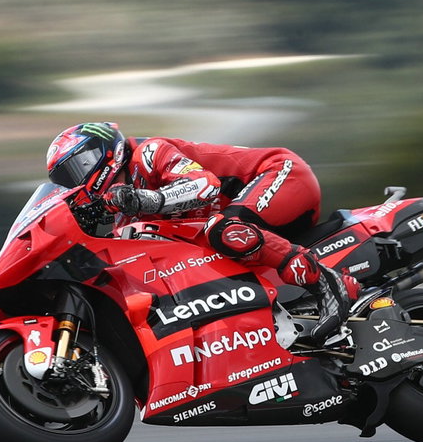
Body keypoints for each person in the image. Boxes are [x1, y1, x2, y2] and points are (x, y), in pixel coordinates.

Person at [44, 121, 359, 348]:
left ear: (104, 152)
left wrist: (149, 199)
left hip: (280, 173)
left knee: (226, 230)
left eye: (80, 167)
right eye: (69, 180)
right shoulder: (125, 214)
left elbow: (206, 185)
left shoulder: (148, 153)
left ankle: (328, 283)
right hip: (245, 217)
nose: (79, 182)